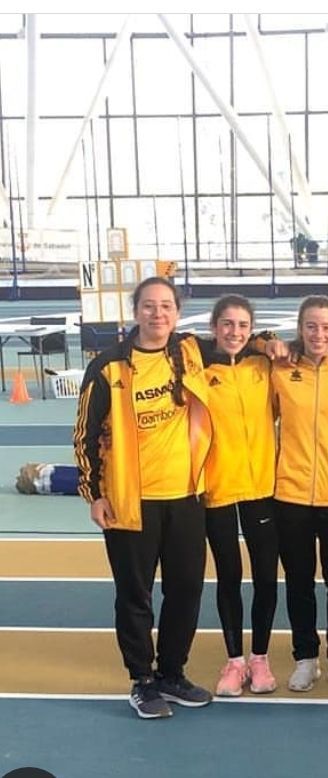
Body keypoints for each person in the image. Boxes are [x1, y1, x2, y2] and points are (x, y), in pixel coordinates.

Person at [74, 276, 213, 719]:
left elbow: (238, 341)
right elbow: (84, 434)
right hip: (130, 502)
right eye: (149, 305)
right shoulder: (108, 367)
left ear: (177, 312)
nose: (158, 313)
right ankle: (142, 680)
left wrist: (270, 343)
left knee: (186, 589)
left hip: (186, 497)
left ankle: (172, 673)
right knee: (136, 595)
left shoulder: (190, 351)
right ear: (135, 311)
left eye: (166, 306)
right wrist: (94, 494)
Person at [271, 296, 328, 694]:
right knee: (299, 581)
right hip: (290, 494)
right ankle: (305, 657)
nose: (318, 334)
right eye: (311, 326)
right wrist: (266, 342)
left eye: (326, 327)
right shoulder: (280, 370)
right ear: (300, 328)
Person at [200, 295, 280, 697]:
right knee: (228, 576)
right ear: (214, 327)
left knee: (266, 576)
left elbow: (278, 343)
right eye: (227, 324)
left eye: (243, 325)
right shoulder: (199, 368)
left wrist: (264, 341)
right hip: (218, 488)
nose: (235, 332)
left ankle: (260, 658)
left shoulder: (262, 365)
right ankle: (234, 662)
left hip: (262, 487)